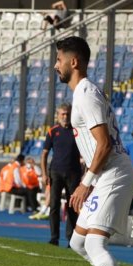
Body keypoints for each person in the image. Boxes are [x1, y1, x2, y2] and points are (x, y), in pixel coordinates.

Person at [54, 35, 133, 266]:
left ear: (74, 61)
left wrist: (86, 182)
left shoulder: (85, 94)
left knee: (94, 244)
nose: (55, 66)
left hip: (114, 174)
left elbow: (104, 144)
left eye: (59, 60)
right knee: (78, 242)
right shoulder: (82, 92)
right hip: (107, 175)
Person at [40, 103, 82, 245]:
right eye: (62, 114)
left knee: (72, 207)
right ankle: (54, 237)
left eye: (67, 114)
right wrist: (44, 174)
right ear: (58, 115)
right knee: (54, 205)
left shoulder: (78, 131)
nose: (65, 117)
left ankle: (71, 239)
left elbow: (86, 152)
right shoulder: (53, 131)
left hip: (73, 173)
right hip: (56, 172)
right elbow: (44, 154)